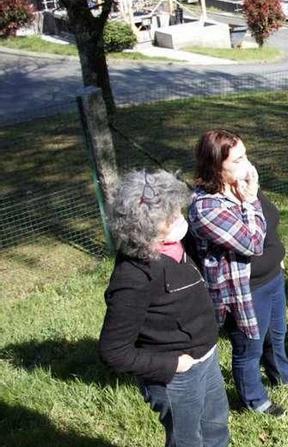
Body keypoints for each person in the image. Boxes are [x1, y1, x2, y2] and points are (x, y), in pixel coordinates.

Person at [99, 169, 229, 447]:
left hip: (207, 357)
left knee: (216, 427)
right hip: (177, 377)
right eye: (170, 219)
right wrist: (173, 365)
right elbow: (114, 351)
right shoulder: (133, 277)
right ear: (144, 230)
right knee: (187, 441)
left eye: (177, 212)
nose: (180, 220)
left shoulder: (176, 244)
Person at [189, 129, 288, 417]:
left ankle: (283, 376)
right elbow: (251, 242)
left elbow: (269, 223)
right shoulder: (206, 207)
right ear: (216, 166)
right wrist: (249, 200)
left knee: (277, 335)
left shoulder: (241, 184)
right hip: (243, 291)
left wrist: (277, 259)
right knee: (249, 347)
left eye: (245, 155)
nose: (247, 164)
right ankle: (254, 399)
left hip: (272, 278)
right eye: (237, 160)